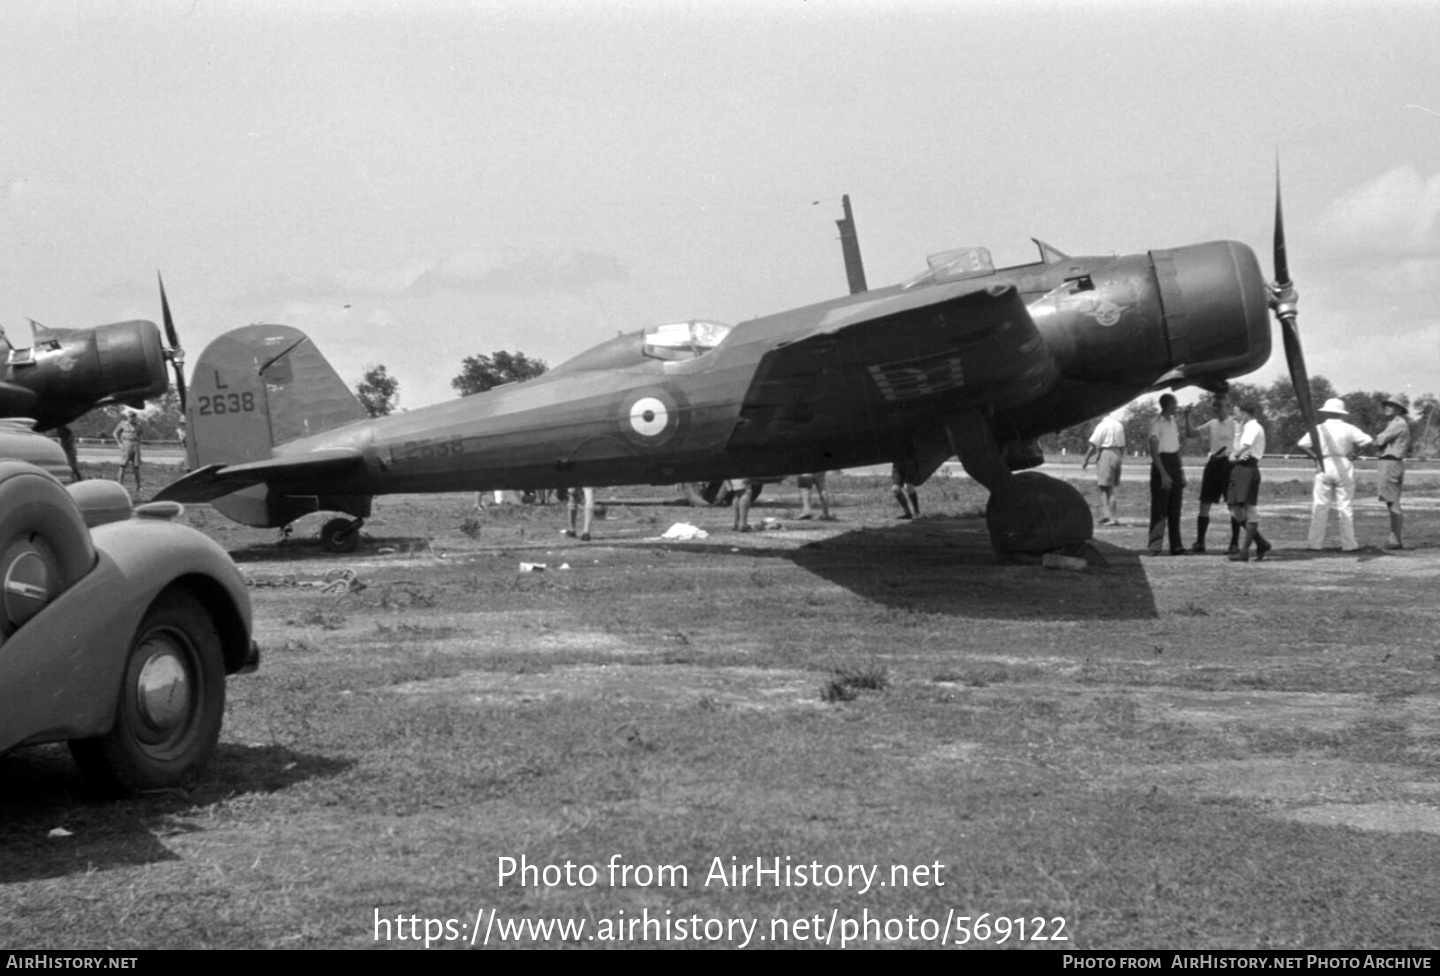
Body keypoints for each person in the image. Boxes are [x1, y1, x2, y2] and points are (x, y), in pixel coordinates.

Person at [1296, 397, 1372, 552]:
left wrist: (1315, 456)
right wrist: (1354, 455)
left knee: (1320, 506)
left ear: (1326, 412)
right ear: (1341, 413)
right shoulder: (1349, 428)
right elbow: (1368, 441)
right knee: (1345, 506)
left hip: (1324, 463)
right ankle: (1349, 544)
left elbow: (1302, 444)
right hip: (1344, 464)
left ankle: (1314, 543)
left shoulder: (1318, 428)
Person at [1184, 395, 1238, 553]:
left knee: (1232, 504)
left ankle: (1234, 543)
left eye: (1219, 406)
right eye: (1214, 406)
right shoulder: (1212, 424)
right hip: (1213, 463)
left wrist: (1232, 456)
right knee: (1205, 502)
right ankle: (1200, 542)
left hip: (1229, 464)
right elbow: (1191, 433)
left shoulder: (1236, 425)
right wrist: (1187, 416)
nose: (1216, 409)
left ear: (1228, 407)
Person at [1227, 398, 1272, 562]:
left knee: (1249, 508)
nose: (1234, 417)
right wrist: (1237, 452)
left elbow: (1243, 447)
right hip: (1240, 468)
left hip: (1248, 468)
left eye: (1236, 413)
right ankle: (1261, 542)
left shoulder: (1253, 427)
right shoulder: (1245, 428)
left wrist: (1235, 454)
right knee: (1234, 508)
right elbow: (1238, 446)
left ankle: (1244, 551)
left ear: (1244, 414)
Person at [1146, 394, 1186, 555]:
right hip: (1161, 463)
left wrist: (1181, 472)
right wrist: (1163, 474)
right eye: (1175, 403)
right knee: (1160, 508)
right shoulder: (1156, 424)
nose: (1176, 406)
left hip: (1174, 463)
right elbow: (1154, 451)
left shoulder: (1173, 423)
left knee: (1175, 507)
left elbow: (1176, 449)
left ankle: (1176, 546)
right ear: (1168, 404)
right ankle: (1155, 546)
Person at [1373, 395, 1412, 549]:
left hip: (1391, 462)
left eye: (1392, 406)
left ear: (1400, 410)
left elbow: (1379, 441)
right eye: (1386, 405)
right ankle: (1394, 537)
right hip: (1388, 462)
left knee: (1393, 502)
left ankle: (1395, 539)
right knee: (1390, 501)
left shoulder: (1398, 424)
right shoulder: (1393, 424)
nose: (1387, 407)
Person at [1081, 410, 1125, 525]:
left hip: (1106, 453)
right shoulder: (1119, 425)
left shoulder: (1102, 425)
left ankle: (1111, 518)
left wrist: (1086, 460)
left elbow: (1093, 445)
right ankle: (1108, 515)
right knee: (1110, 487)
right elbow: (1123, 446)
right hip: (1117, 454)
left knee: (1105, 488)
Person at [112, 410, 143, 492]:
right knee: (122, 466)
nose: (132, 418)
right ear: (128, 417)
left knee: (136, 467)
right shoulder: (123, 424)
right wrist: (119, 443)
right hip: (126, 444)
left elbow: (139, 434)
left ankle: (139, 486)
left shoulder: (138, 425)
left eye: (134, 417)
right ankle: (120, 486)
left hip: (135, 445)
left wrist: (138, 442)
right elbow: (115, 433)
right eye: (131, 416)